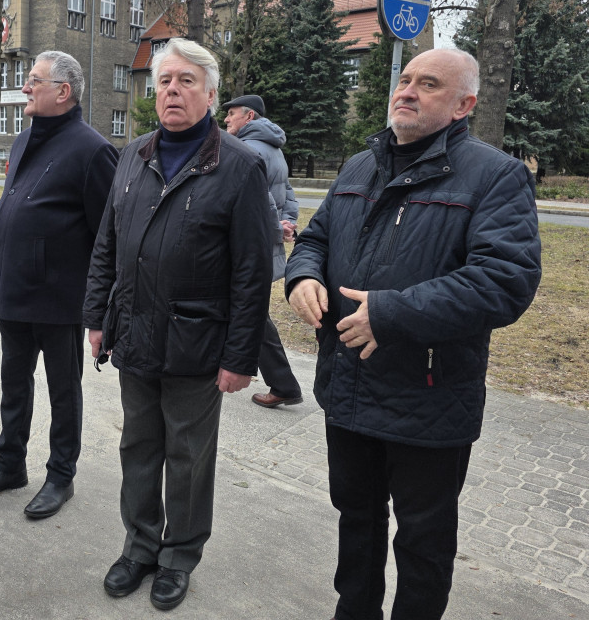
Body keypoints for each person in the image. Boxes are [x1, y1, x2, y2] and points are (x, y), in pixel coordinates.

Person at [285, 48, 541, 620]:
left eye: (428, 84)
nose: (406, 91)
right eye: (405, 79)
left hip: (429, 395)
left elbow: (505, 281)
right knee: (356, 518)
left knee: (423, 540)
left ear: (463, 105)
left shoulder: (495, 175)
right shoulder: (359, 166)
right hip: (348, 382)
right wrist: (301, 277)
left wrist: (391, 314)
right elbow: (315, 239)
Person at [84, 38, 272, 610]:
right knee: (138, 447)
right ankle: (139, 546)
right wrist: (96, 316)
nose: (173, 90)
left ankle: (179, 556)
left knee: (188, 457)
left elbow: (252, 272)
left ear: (210, 95)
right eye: (165, 80)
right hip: (134, 334)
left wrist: (240, 356)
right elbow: (107, 243)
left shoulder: (239, 166)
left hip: (197, 342)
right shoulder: (132, 156)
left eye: (187, 81)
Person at [0, 50, 118, 519]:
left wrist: (100, 307)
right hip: (13, 288)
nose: (26, 87)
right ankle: (10, 465)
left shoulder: (93, 150)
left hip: (59, 297)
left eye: (34, 80)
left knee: (63, 391)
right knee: (14, 383)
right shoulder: (25, 138)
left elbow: (108, 236)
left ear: (63, 91)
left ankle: (60, 476)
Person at [222, 94, 303, 408]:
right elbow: (287, 191)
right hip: (263, 241)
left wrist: (276, 227)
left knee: (250, 313)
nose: (226, 119)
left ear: (249, 116)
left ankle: (283, 384)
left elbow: (262, 199)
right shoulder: (273, 147)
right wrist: (287, 223)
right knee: (248, 309)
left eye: (232, 114)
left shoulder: (247, 148)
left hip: (247, 243)